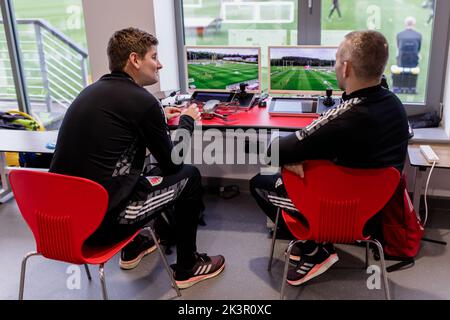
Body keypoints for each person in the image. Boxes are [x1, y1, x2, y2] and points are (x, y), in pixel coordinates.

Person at [50, 27, 225, 289]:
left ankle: (133, 248)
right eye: (154, 57)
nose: (160, 64)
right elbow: (173, 163)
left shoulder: (90, 93)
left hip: (60, 225)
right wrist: (187, 120)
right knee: (189, 176)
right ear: (134, 59)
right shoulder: (143, 102)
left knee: (131, 169)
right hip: (101, 227)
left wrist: (157, 121)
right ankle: (188, 267)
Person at [250, 30, 409, 286]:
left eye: (336, 59)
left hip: (336, 207)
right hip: (373, 210)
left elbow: (273, 151)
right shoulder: (394, 105)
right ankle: (319, 243)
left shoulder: (345, 118)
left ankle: (316, 249)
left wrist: (292, 159)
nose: (334, 65)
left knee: (259, 182)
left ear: (346, 68)